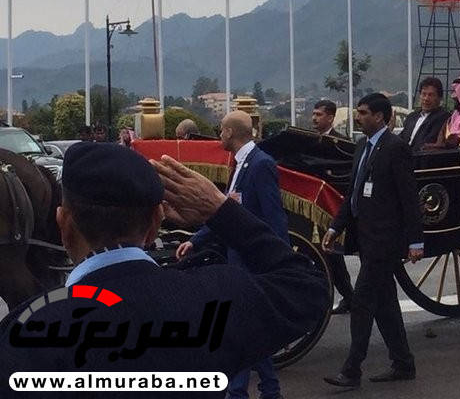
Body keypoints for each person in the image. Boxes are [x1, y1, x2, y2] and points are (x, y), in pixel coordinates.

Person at [0, 143, 328, 399]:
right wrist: (222, 211)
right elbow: (308, 285)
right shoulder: (216, 299)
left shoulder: (24, 332)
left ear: (64, 224)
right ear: (156, 223)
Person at [176, 110, 288, 399]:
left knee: (241, 328)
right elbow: (227, 212)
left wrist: (277, 260)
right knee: (247, 329)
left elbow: (274, 217)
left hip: (252, 261)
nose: (218, 134)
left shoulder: (260, 164)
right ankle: (268, 389)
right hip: (239, 259)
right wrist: (197, 241)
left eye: (221, 129)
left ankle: (240, 392)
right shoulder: (242, 164)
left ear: (229, 132)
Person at [322, 93, 423, 388]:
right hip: (366, 238)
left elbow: (409, 198)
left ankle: (352, 369)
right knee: (386, 304)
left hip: (385, 241)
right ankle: (403, 363)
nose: (358, 117)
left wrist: (416, 241)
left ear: (380, 116)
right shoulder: (362, 146)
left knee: (363, 301)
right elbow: (353, 192)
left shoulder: (396, 148)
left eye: (364, 113)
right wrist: (335, 226)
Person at [310, 99, 355, 315]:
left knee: (331, 255)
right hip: (315, 204)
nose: (314, 118)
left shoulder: (342, 144)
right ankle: (349, 296)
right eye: (314, 114)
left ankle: (348, 297)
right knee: (327, 255)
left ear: (330, 117)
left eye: (319, 114)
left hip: (333, 205)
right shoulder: (311, 142)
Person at [398, 77, 451, 150]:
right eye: (424, 94)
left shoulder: (443, 118)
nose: (426, 99)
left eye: (431, 95)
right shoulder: (412, 117)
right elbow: (401, 139)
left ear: (439, 98)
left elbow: (426, 142)